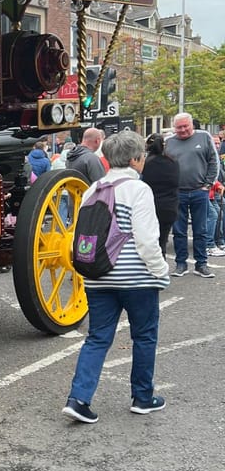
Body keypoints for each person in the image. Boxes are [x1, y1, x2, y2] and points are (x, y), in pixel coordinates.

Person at [63, 130, 170, 424]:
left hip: (98, 276)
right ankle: (142, 398)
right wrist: (161, 273)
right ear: (136, 159)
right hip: (136, 278)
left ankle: (79, 399)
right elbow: (147, 240)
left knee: (97, 339)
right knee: (144, 337)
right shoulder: (139, 190)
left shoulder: (93, 189)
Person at [165, 112, 220, 278]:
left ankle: (201, 264)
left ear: (191, 125)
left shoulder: (204, 137)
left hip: (199, 191)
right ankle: (181, 264)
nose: (182, 130)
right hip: (178, 192)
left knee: (200, 229)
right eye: (179, 127)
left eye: (185, 126)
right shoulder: (168, 142)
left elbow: (213, 161)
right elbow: (165, 166)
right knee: (179, 231)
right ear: (175, 128)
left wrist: (209, 184)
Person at [140, 133, 179, 257]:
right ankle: (162, 272)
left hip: (150, 207)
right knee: (162, 242)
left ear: (147, 146)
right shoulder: (173, 162)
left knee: (149, 244)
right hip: (169, 207)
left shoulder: (146, 164)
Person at [205, 135, 225, 256]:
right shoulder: (207, 157)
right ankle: (209, 244)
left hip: (213, 192)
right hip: (205, 193)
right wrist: (217, 185)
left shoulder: (219, 156)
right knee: (213, 216)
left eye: (219, 143)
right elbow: (208, 175)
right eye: (215, 143)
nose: (217, 146)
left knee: (220, 215)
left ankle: (219, 241)